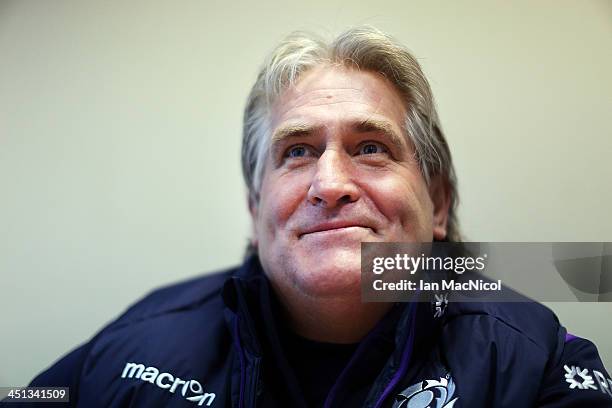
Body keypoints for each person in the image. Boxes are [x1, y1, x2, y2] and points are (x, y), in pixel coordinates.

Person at [4, 26, 611, 407]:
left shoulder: (533, 357)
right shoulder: (137, 341)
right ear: (254, 210)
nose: (330, 184)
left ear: (440, 205)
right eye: (297, 153)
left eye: (371, 148)